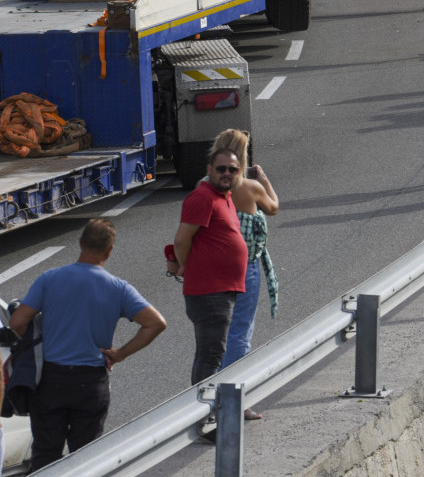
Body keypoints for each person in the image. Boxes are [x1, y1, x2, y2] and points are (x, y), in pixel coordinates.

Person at [8, 219, 166, 471]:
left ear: (80, 243)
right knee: (87, 458)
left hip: (50, 380)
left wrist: (36, 341)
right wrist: (120, 354)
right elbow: (156, 323)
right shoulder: (118, 288)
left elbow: (17, 321)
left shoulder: (49, 279)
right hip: (91, 383)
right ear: (110, 250)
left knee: (45, 454)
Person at [210, 130, 279, 423]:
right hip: (245, 268)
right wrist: (263, 180)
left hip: (214, 269)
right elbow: (273, 207)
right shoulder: (249, 188)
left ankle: (211, 398)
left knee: (215, 338)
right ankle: (234, 401)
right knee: (240, 335)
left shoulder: (206, 186)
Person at [174, 147, 248, 386]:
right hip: (209, 292)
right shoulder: (202, 198)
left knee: (212, 353)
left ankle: (206, 410)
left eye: (232, 169)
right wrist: (185, 266)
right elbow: (181, 240)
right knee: (211, 355)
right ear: (209, 170)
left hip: (222, 290)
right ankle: (202, 411)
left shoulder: (223, 197)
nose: (227, 173)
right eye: (221, 169)